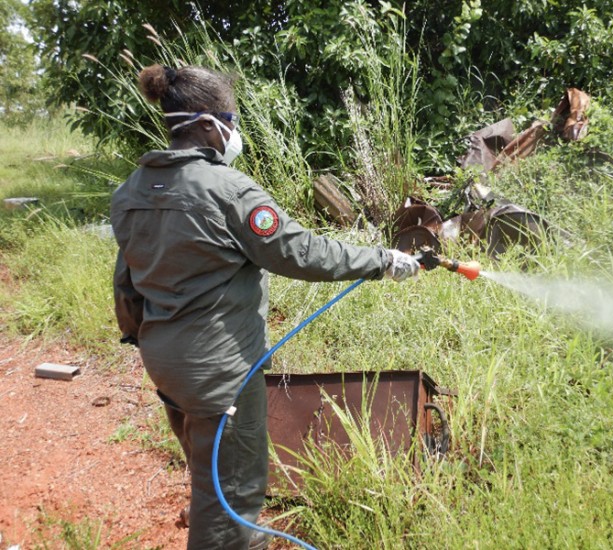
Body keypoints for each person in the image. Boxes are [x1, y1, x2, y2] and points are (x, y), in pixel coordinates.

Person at [110, 64, 420, 550]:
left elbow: (125, 281)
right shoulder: (229, 190)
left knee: (206, 465)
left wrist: (141, 337)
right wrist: (382, 260)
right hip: (220, 372)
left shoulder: (131, 191)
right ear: (211, 125)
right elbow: (302, 252)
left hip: (164, 363)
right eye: (231, 119)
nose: (235, 131)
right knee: (232, 494)